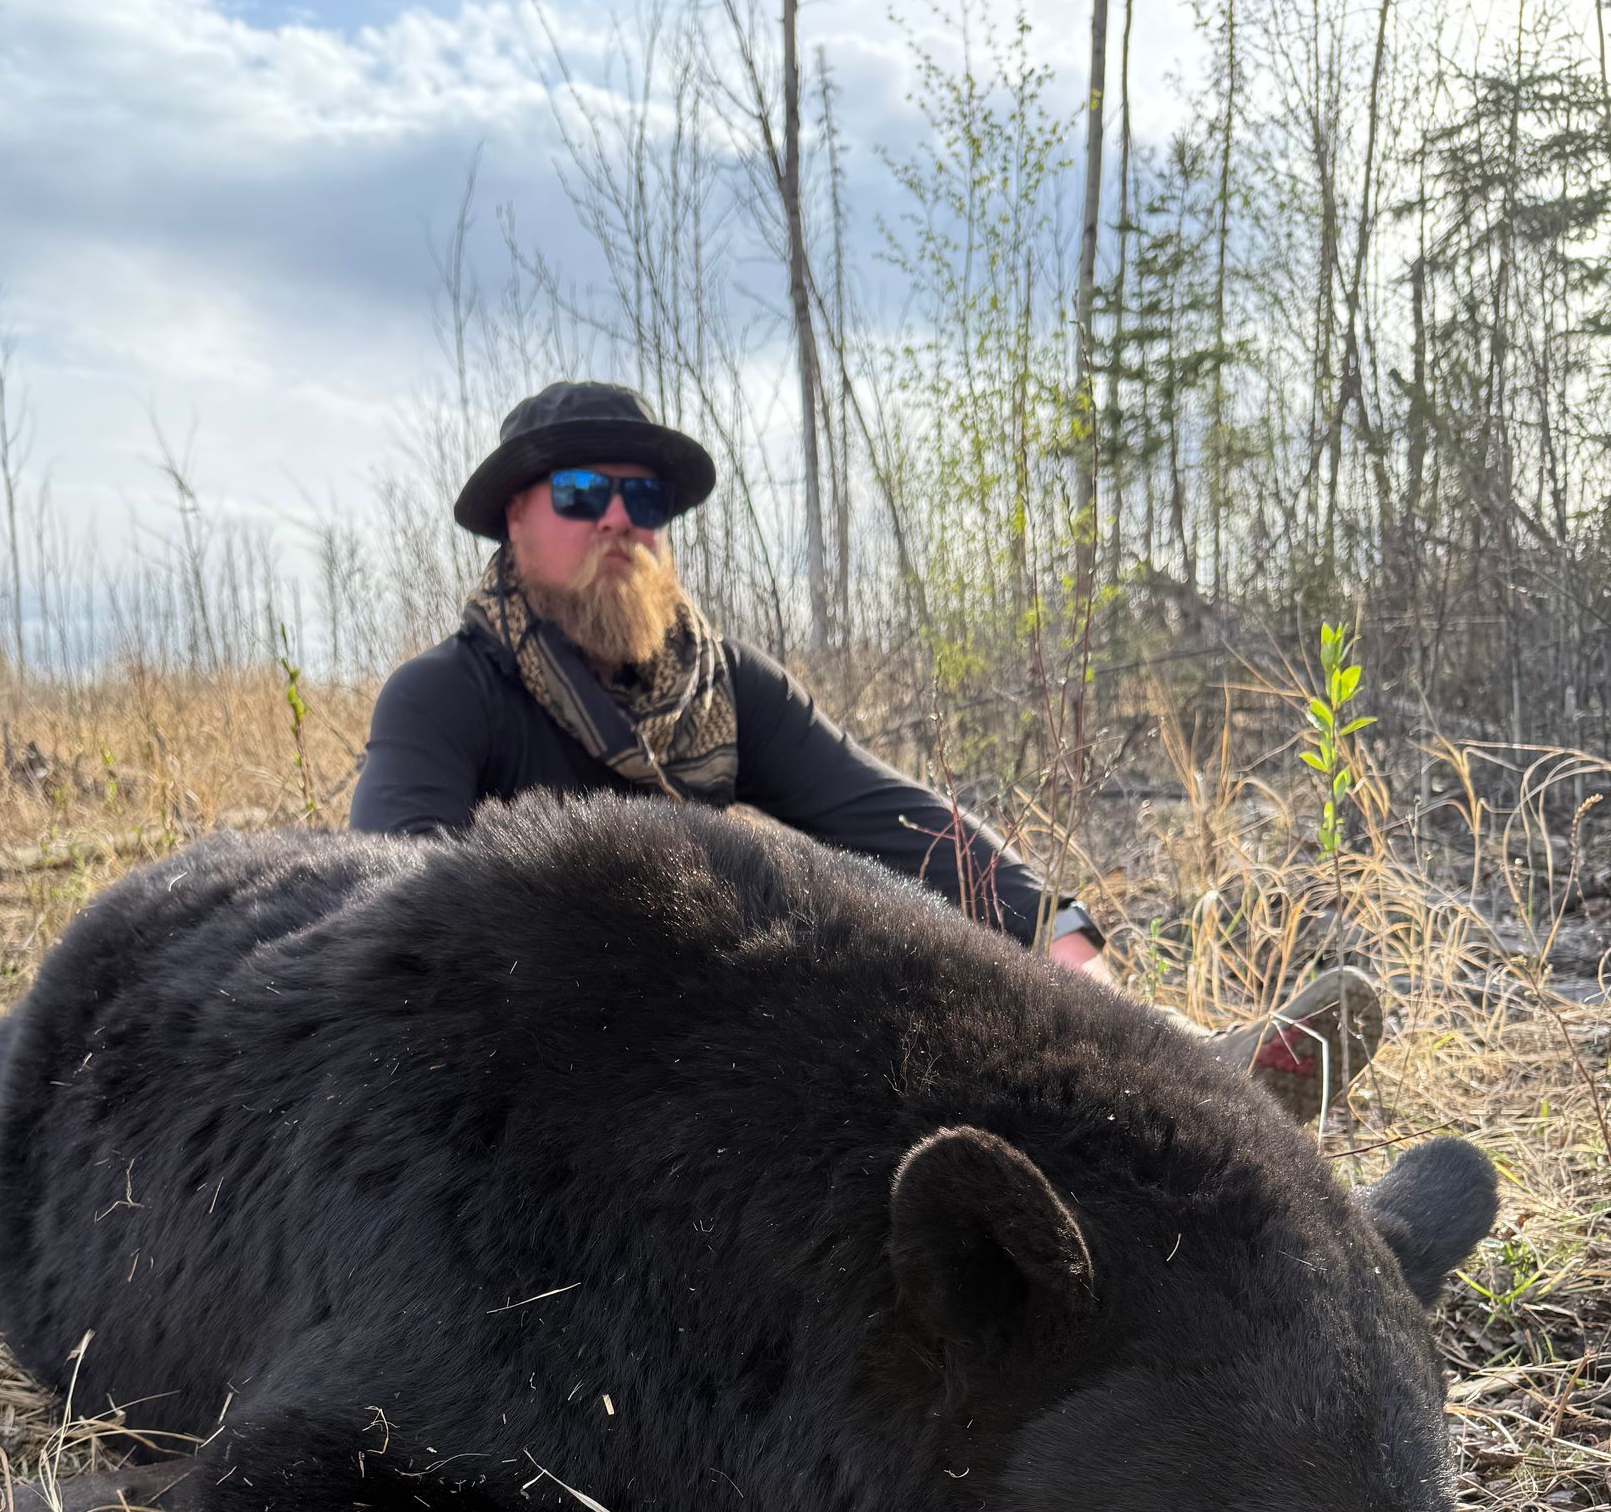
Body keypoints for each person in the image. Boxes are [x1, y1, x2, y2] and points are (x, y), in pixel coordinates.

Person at [350, 381, 1380, 1120]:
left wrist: (1062, 937)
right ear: (514, 519)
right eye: (582, 493)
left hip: (694, 1036)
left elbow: (899, 821)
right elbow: (386, 916)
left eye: (645, 499)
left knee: (892, 933)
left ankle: (1182, 1072)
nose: (620, 519)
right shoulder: (446, 695)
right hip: (527, 1076)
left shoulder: (720, 686)